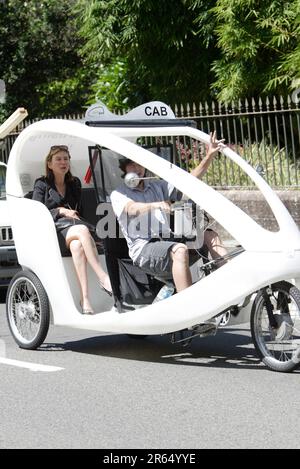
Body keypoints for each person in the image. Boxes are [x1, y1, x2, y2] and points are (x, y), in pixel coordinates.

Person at [110, 131, 227, 293]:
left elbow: (188, 180)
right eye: (132, 164)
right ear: (124, 168)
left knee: (210, 235)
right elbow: (132, 209)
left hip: (167, 240)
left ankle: (230, 284)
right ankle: (189, 306)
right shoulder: (118, 194)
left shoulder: (157, 186)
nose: (137, 168)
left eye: (140, 164)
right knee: (179, 250)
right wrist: (157, 205)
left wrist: (210, 155)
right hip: (144, 249)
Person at [32, 145, 112, 314]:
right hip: (52, 231)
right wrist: (60, 210)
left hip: (72, 230)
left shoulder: (74, 183)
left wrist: (71, 214)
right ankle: (103, 277)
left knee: (77, 246)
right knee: (82, 230)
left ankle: (85, 299)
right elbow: (36, 212)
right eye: (58, 159)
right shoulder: (41, 184)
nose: (63, 162)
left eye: (66, 159)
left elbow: (79, 212)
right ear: (49, 164)